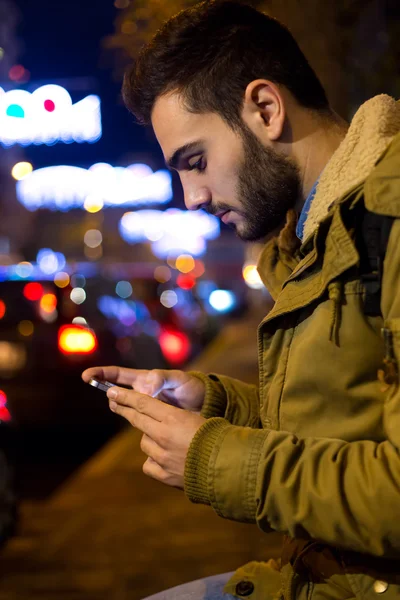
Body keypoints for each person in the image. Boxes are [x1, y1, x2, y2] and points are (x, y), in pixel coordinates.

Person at [83, 1, 400, 598]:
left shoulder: (388, 217)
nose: (191, 199)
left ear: (265, 108)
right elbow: (350, 424)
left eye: (195, 162)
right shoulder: (314, 235)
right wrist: (216, 406)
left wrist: (211, 459)